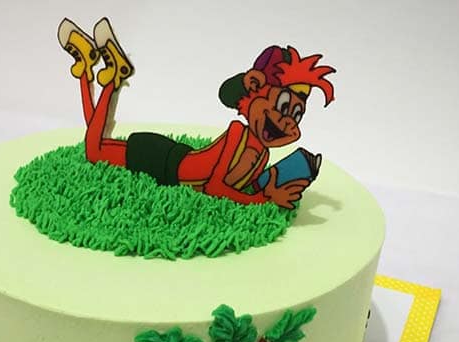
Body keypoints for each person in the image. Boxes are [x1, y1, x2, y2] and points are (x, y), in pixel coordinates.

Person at [57, 17, 336, 209]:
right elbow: (215, 188)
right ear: (254, 85)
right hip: (164, 163)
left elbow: (241, 185)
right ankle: (113, 76)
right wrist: (260, 201)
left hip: (174, 159)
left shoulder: (262, 155)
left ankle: (86, 67)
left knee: (98, 138)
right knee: (94, 150)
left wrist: (268, 190)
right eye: (283, 107)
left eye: (297, 115)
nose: (287, 123)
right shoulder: (238, 134)